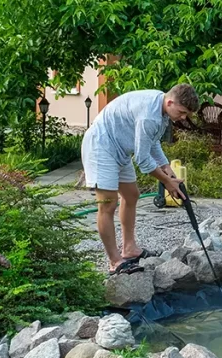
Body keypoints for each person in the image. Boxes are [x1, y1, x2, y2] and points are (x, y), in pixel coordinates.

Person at [81, 83, 198, 275]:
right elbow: (143, 160)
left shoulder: (161, 110)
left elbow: (152, 144)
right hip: (101, 145)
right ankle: (115, 262)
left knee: (131, 195)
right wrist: (166, 181)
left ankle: (129, 249)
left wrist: (167, 169)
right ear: (170, 102)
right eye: (182, 112)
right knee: (108, 204)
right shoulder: (150, 116)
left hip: (120, 148)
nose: (183, 118)